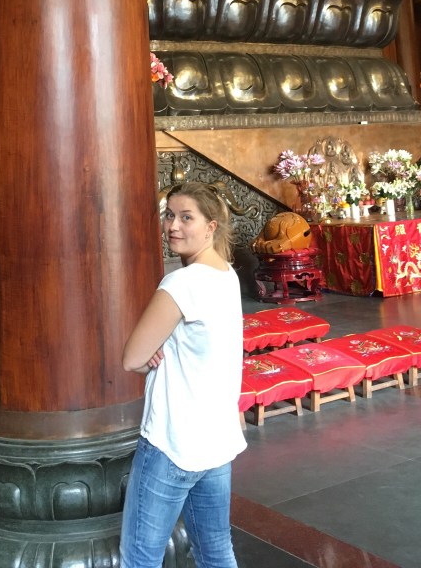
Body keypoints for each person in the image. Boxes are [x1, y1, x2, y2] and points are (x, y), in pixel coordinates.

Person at [120, 181, 246, 567]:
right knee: (215, 550)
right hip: (215, 439)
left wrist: (151, 356)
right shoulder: (227, 275)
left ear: (211, 227)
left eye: (186, 217)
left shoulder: (182, 283)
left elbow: (132, 358)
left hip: (172, 442)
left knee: (140, 557)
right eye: (170, 215)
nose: (173, 225)